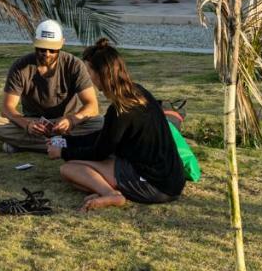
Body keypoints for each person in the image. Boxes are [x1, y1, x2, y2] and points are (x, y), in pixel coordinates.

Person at [48, 39, 187, 211]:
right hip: (172, 179)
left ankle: (111, 194)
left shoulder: (121, 110)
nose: (88, 77)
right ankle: (111, 190)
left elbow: (99, 152)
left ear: (100, 74)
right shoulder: (139, 92)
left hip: (155, 186)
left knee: (69, 169)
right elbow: (105, 137)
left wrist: (62, 151)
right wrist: (65, 140)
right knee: (84, 174)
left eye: (89, 71)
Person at [0, 20, 103, 152]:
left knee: (100, 122)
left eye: (52, 49)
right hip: (33, 123)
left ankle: (23, 144)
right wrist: (27, 124)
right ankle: (63, 144)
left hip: (65, 123)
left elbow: (92, 106)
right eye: (42, 48)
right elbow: (7, 108)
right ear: (35, 43)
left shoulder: (74, 65)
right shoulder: (20, 66)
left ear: (62, 44)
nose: (47, 53)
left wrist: (71, 120)